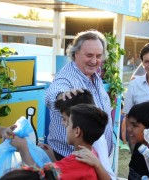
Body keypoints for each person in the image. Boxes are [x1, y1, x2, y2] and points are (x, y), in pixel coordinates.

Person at [45, 30, 113, 160]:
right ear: (76, 53)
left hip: (93, 157)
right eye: (89, 55)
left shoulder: (94, 75)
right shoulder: (67, 77)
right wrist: (62, 95)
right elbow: (52, 94)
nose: (94, 61)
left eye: (98, 56)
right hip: (69, 159)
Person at [11, 104, 109, 180]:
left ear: (77, 131)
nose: (65, 125)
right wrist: (53, 158)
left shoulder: (75, 161)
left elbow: (39, 177)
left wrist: (23, 148)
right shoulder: (92, 154)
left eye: (68, 122)